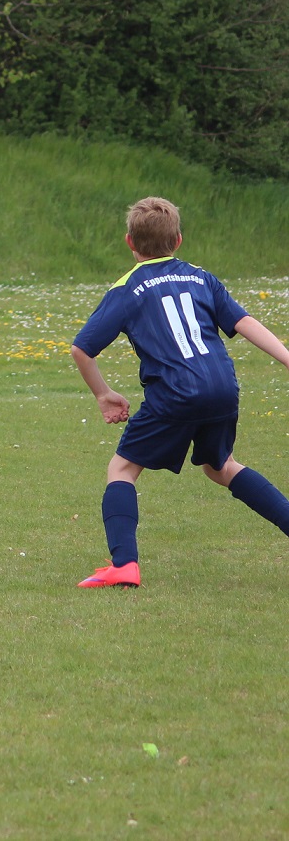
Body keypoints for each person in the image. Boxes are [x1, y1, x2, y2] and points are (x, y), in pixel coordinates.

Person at [69, 196, 289, 587]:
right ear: (179, 240)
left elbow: (81, 349)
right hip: (222, 388)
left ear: (129, 242)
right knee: (221, 467)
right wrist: (287, 359)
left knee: (122, 469)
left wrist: (103, 394)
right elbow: (245, 322)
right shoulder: (201, 277)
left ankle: (124, 564)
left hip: (174, 392)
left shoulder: (127, 288)